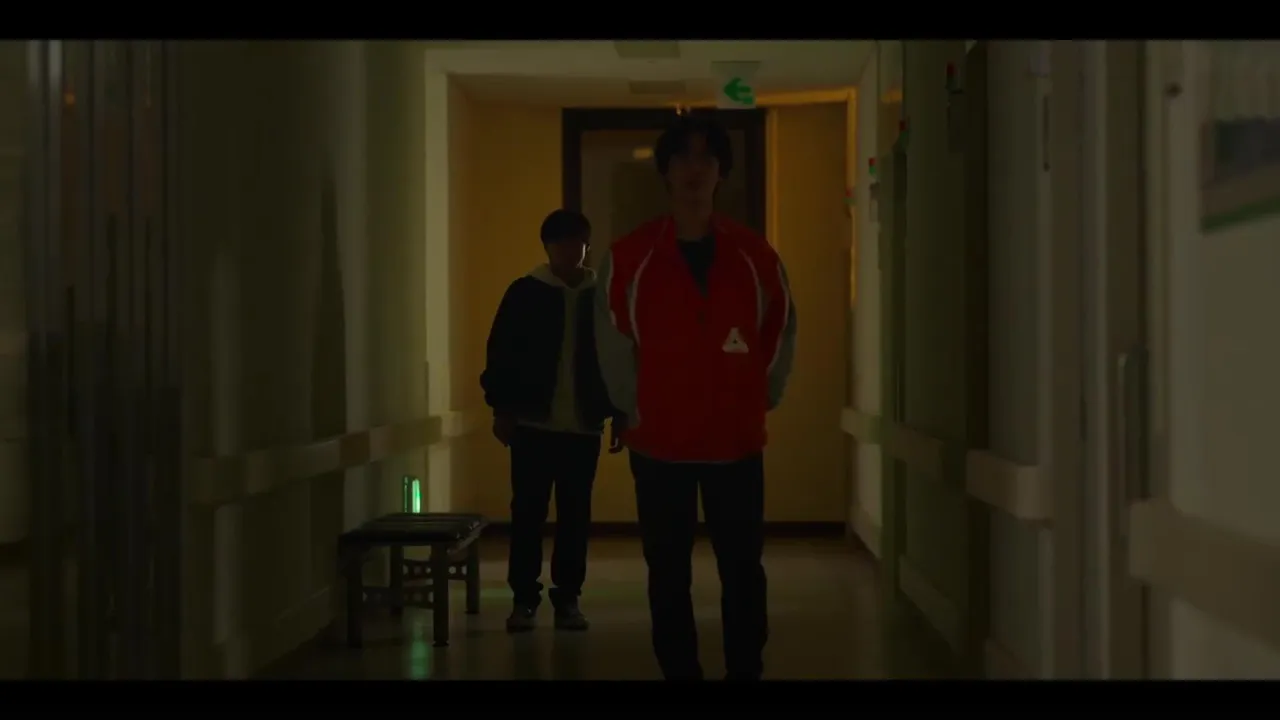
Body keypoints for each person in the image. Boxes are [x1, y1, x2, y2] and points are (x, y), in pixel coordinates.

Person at [594, 113, 798, 680]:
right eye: (683, 156)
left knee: (743, 569)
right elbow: (612, 341)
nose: (694, 168)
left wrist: (760, 397)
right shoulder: (630, 258)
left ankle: (744, 671)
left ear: (721, 173)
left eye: (706, 157)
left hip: (736, 443)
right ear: (665, 170)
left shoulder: (755, 257)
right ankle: (680, 672)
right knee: (667, 573)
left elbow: (780, 331)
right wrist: (632, 407)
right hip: (660, 444)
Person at [480, 209, 618, 633]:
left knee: (575, 516)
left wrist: (620, 412)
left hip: (582, 425)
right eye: (562, 243)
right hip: (533, 424)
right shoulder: (526, 293)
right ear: (548, 247)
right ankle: (524, 599)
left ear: (586, 246)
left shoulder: (600, 296)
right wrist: (502, 408)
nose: (570, 251)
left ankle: (568, 598)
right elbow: (501, 353)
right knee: (527, 515)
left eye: (577, 243)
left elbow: (617, 358)